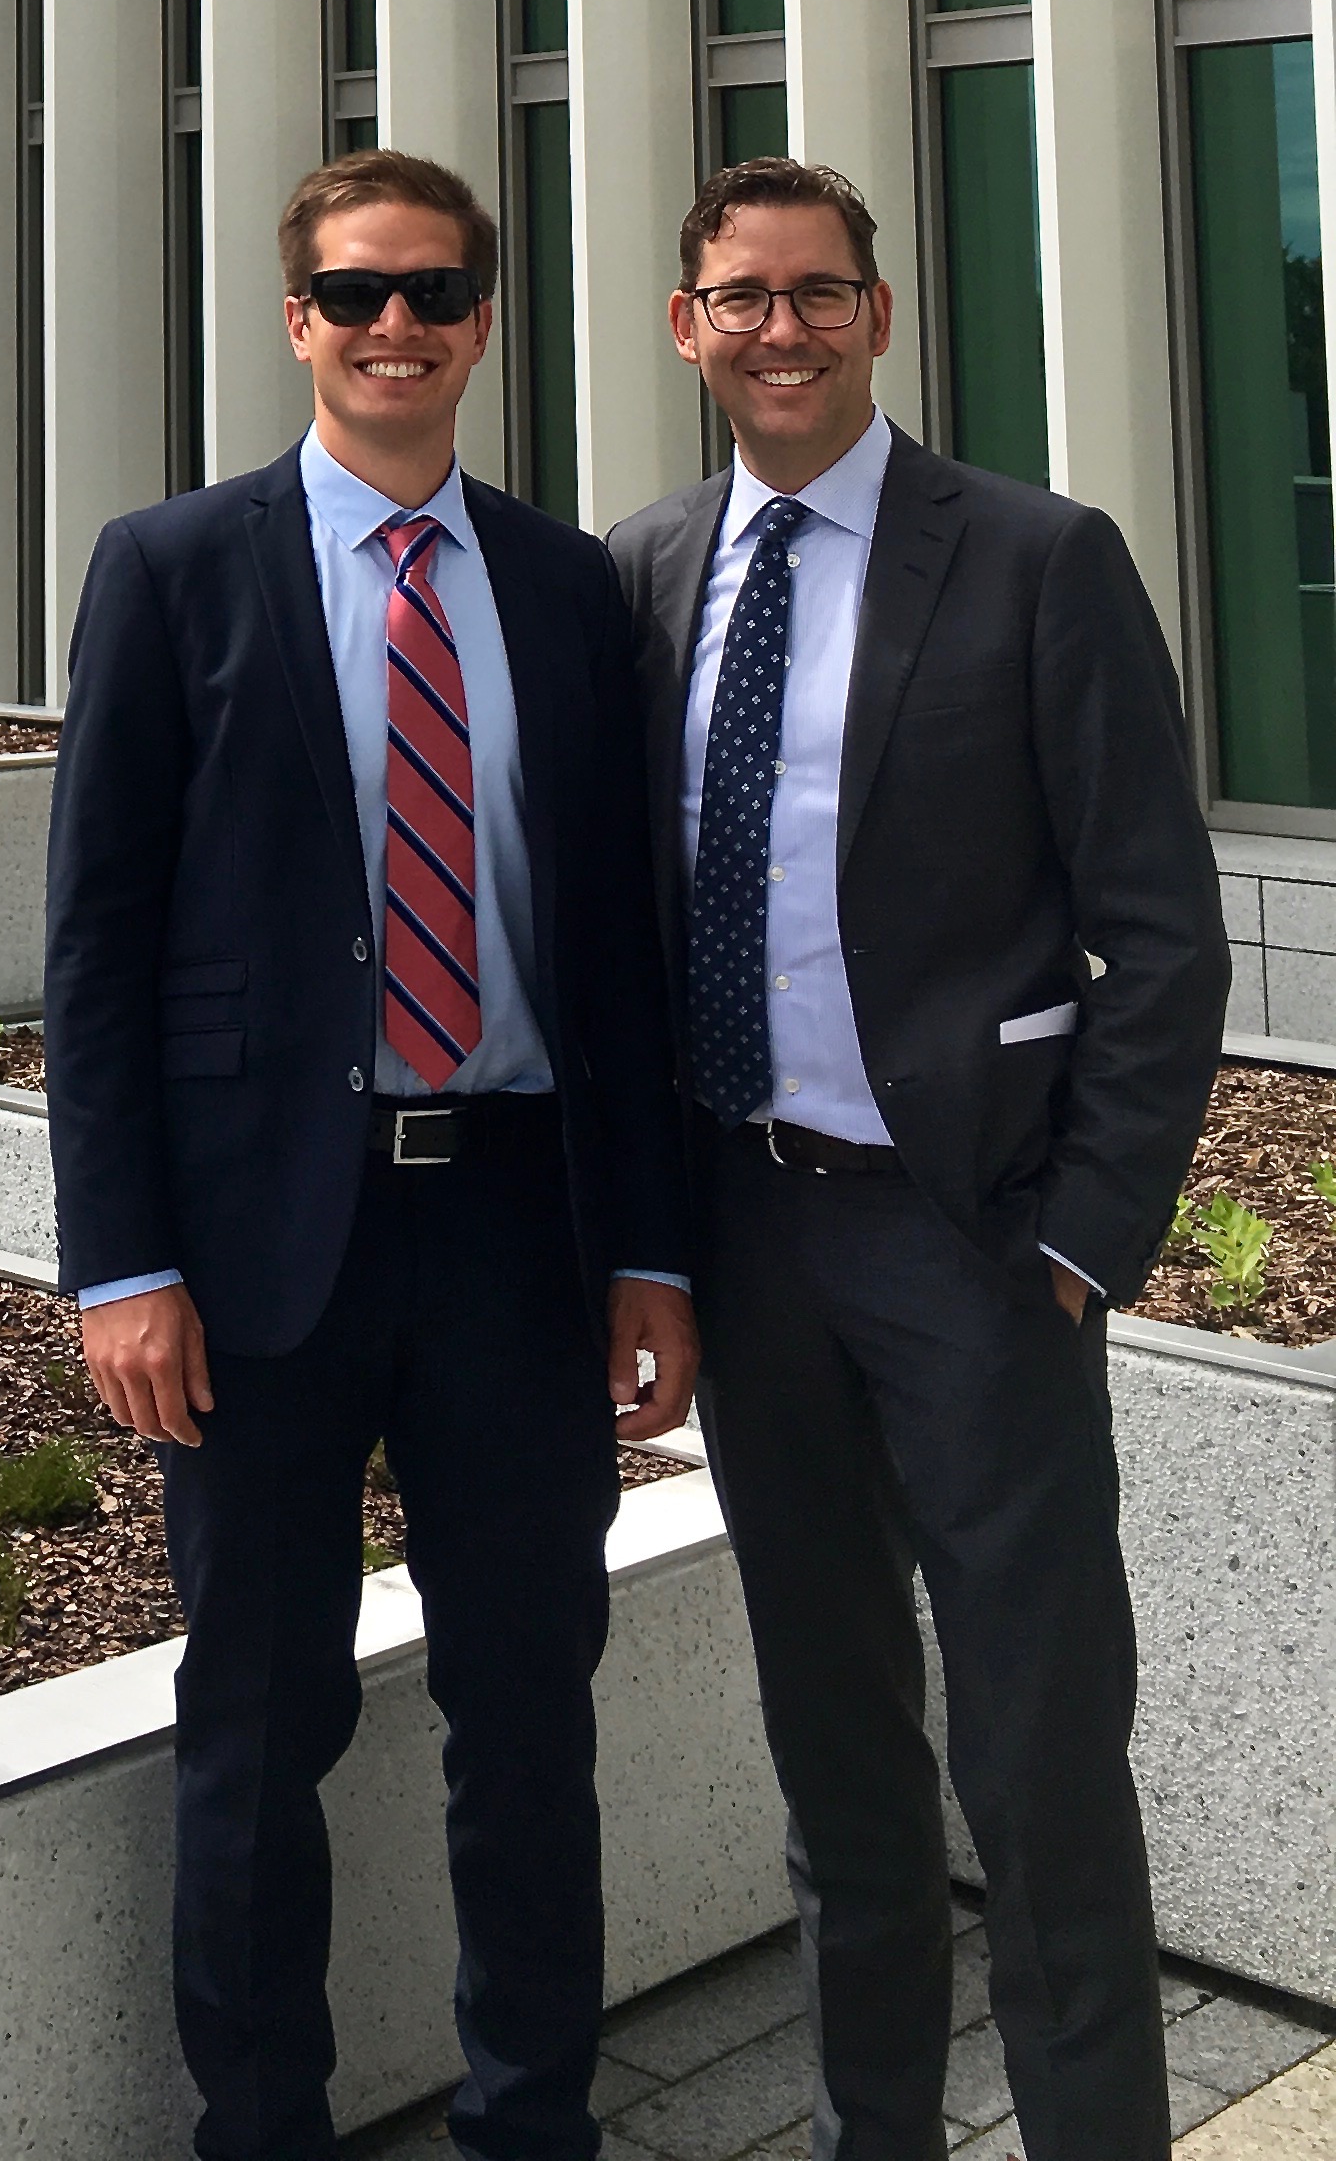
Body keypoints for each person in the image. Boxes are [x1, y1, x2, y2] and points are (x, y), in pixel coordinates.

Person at [49, 146, 697, 2161]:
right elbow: (96, 948)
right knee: (260, 1722)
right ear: (296, 320)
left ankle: (536, 2125)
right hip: (260, 1250)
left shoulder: (563, 585)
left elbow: (617, 952)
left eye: (431, 292)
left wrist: (652, 1250)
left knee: (530, 1719)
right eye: (354, 294)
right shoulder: (172, 569)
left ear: (482, 324)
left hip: (516, 1230)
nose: (392, 326)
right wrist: (120, 1263)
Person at [607, 155, 1227, 2161]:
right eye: (742, 297)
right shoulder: (642, 574)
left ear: (878, 316)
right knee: (838, 1762)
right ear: (688, 329)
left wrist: (1086, 1238)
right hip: (748, 1238)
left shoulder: (1039, 558)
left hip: (975, 1251)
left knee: (1042, 1771)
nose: (780, 328)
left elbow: (1165, 935)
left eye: (819, 292)